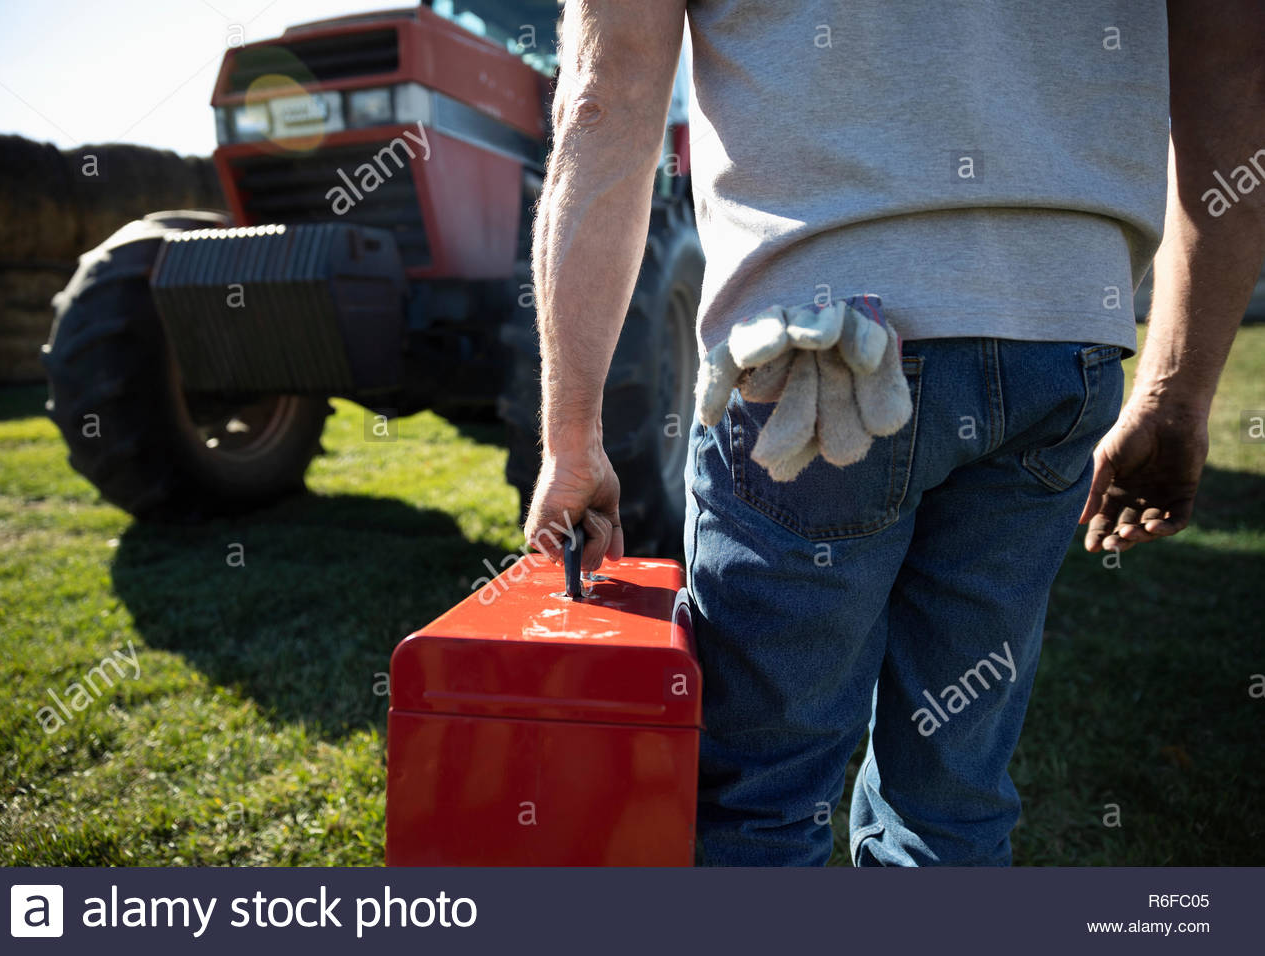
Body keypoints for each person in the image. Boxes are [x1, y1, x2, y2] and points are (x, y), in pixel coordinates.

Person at [523, 0, 1265, 865]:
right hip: (1060, 335)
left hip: (808, 351)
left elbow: (602, 102)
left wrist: (571, 436)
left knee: (756, 795)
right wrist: (1176, 394)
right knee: (950, 797)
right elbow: (1236, 89)